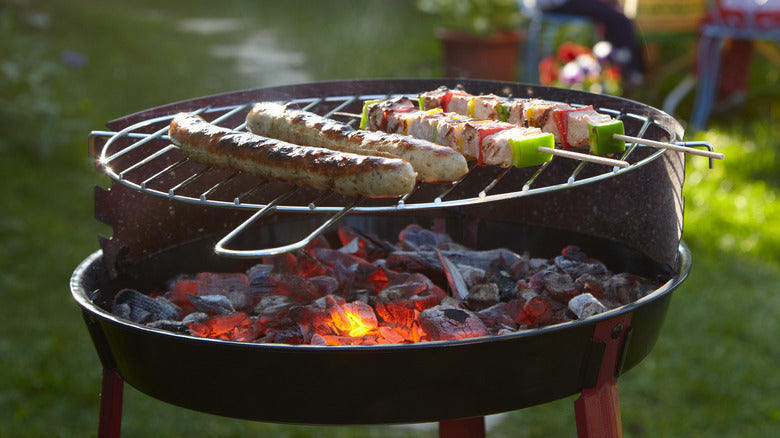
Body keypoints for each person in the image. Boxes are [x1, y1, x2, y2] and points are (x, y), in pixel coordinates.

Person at [534, 0, 645, 88]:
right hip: (557, 3)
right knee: (620, 20)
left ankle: (617, 68)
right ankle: (626, 70)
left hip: (546, 4)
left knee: (615, 17)